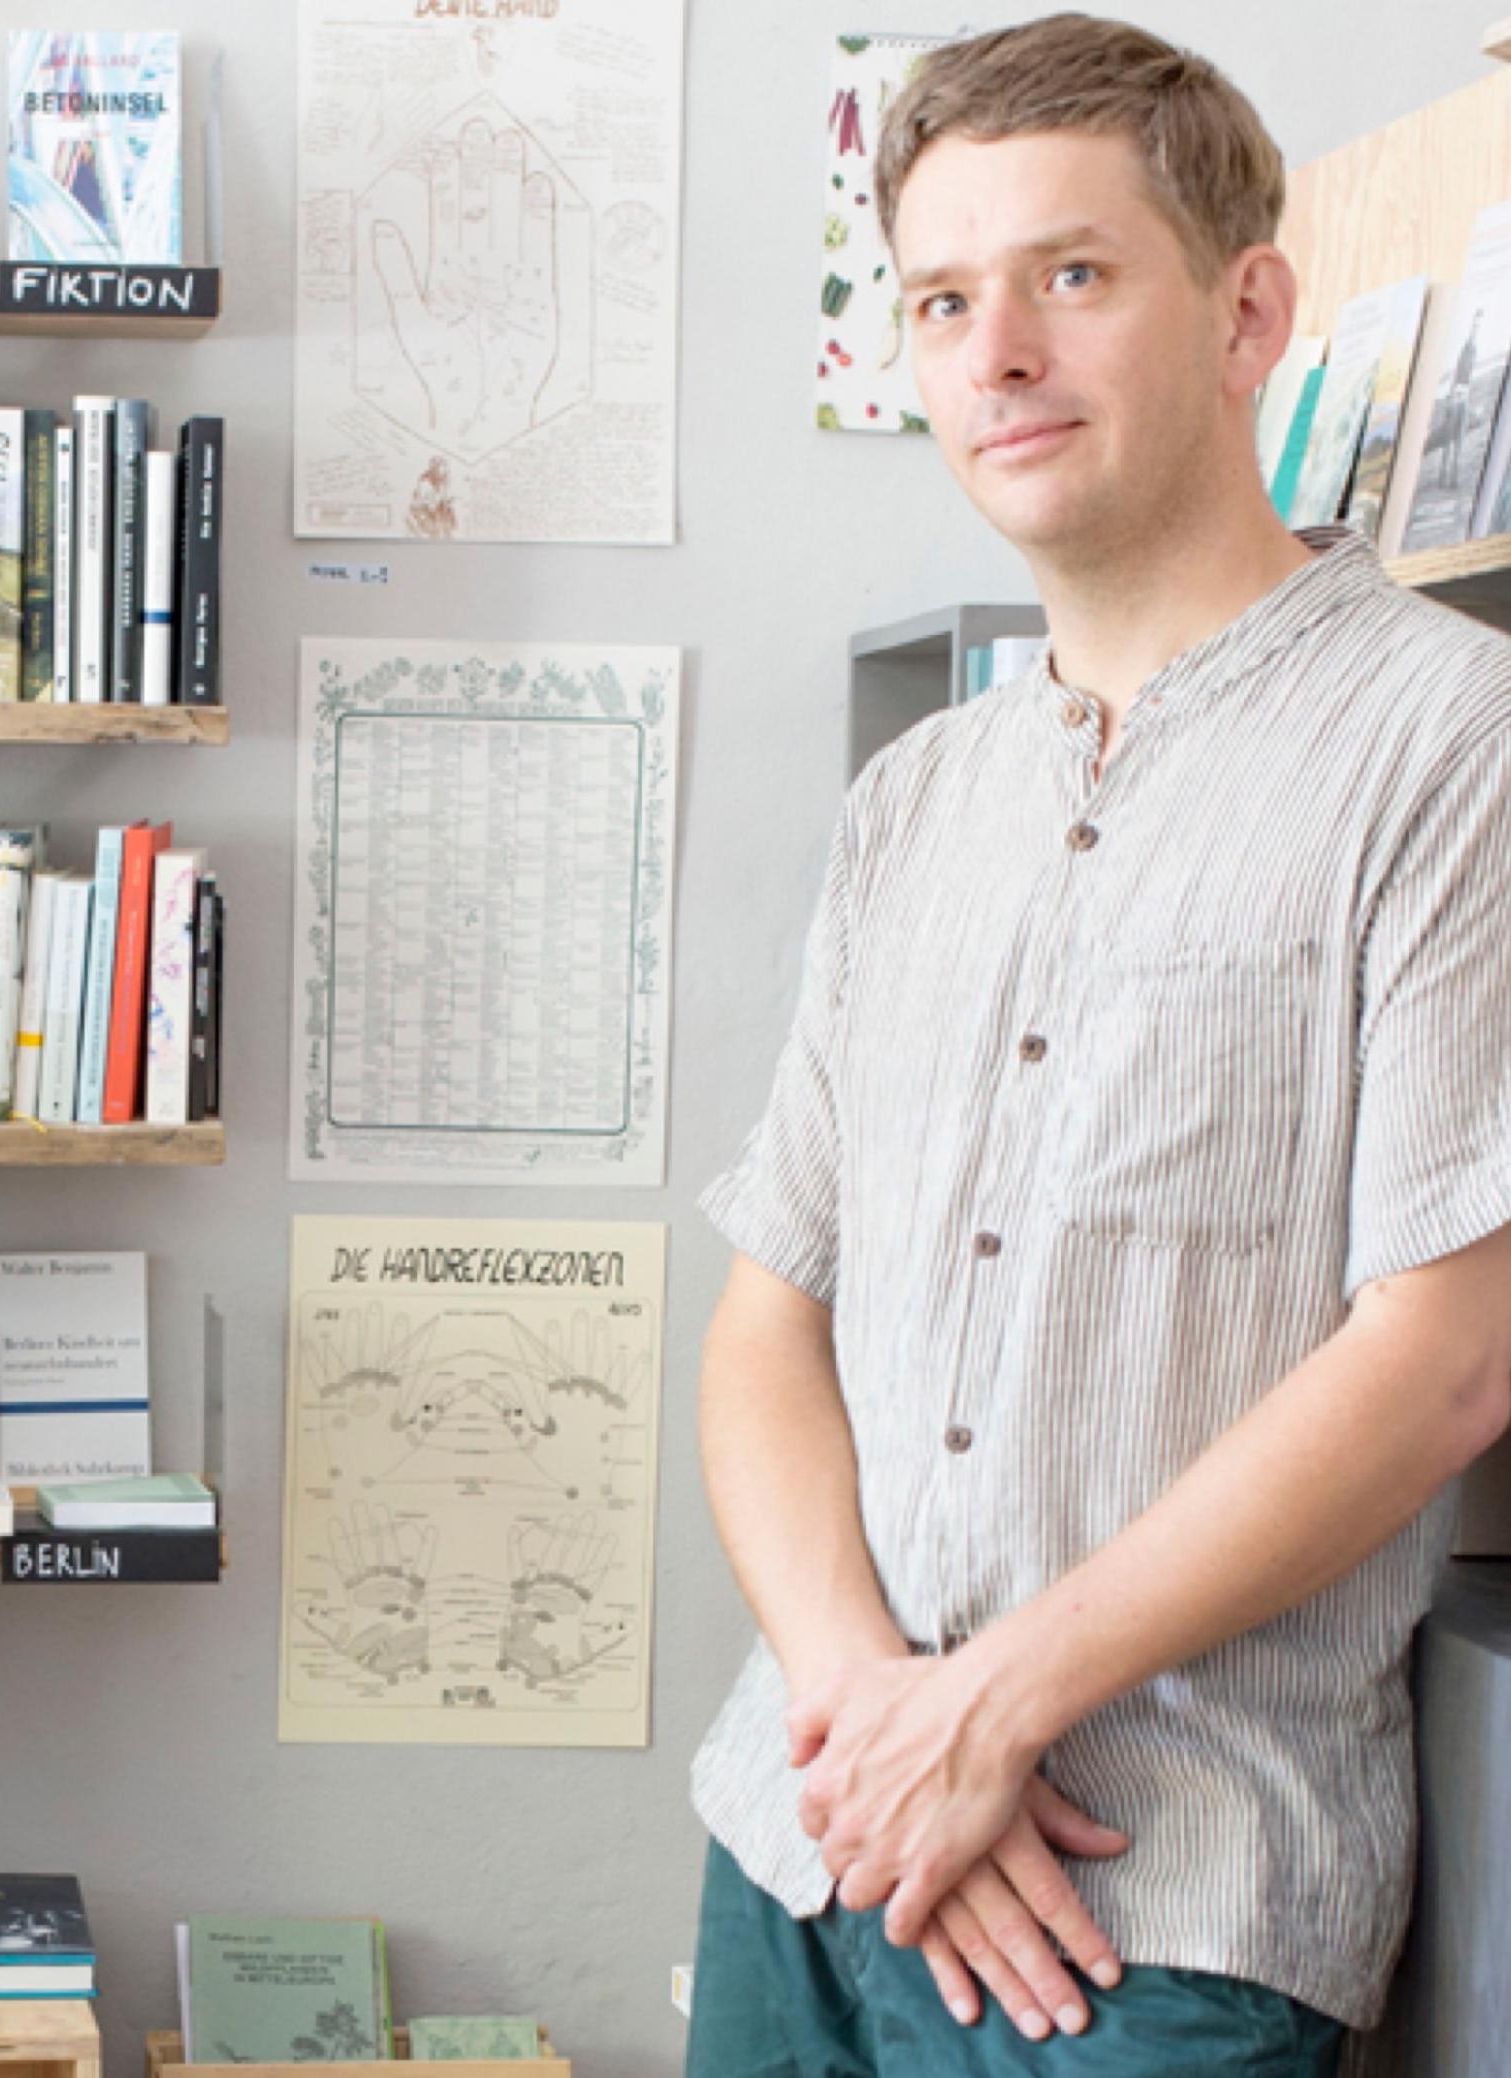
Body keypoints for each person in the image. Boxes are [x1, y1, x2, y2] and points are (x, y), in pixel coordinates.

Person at [687, 14, 1511, 2074]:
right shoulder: (914, 799)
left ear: (1244, 314)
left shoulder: (1447, 748)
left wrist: (985, 1715)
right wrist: (880, 1721)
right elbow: (759, 1321)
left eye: (1067, 274)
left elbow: (1441, 1358)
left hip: (1148, 1915)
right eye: (940, 300)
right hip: (800, 1844)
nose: (992, 355)